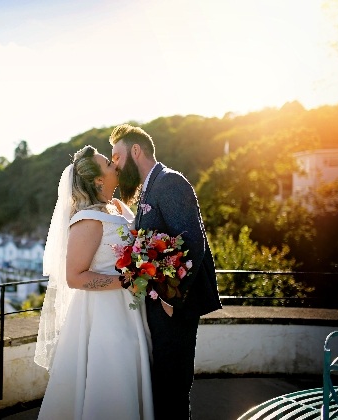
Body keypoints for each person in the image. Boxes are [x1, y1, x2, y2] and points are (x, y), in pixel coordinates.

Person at [109, 124, 222, 419]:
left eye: (117, 157)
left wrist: (171, 299)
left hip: (175, 306)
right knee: (163, 383)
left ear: (136, 151)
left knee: (173, 386)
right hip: (160, 304)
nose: (116, 166)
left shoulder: (170, 182)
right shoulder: (148, 189)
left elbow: (192, 243)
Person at [34, 145, 155, 420]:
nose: (116, 166)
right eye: (109, 164)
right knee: (113, 378)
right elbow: (74, 276)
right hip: (104, 315)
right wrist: (127, 281)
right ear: (99, 180)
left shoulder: (118, 208)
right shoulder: (87, 220)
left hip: (132, 309)